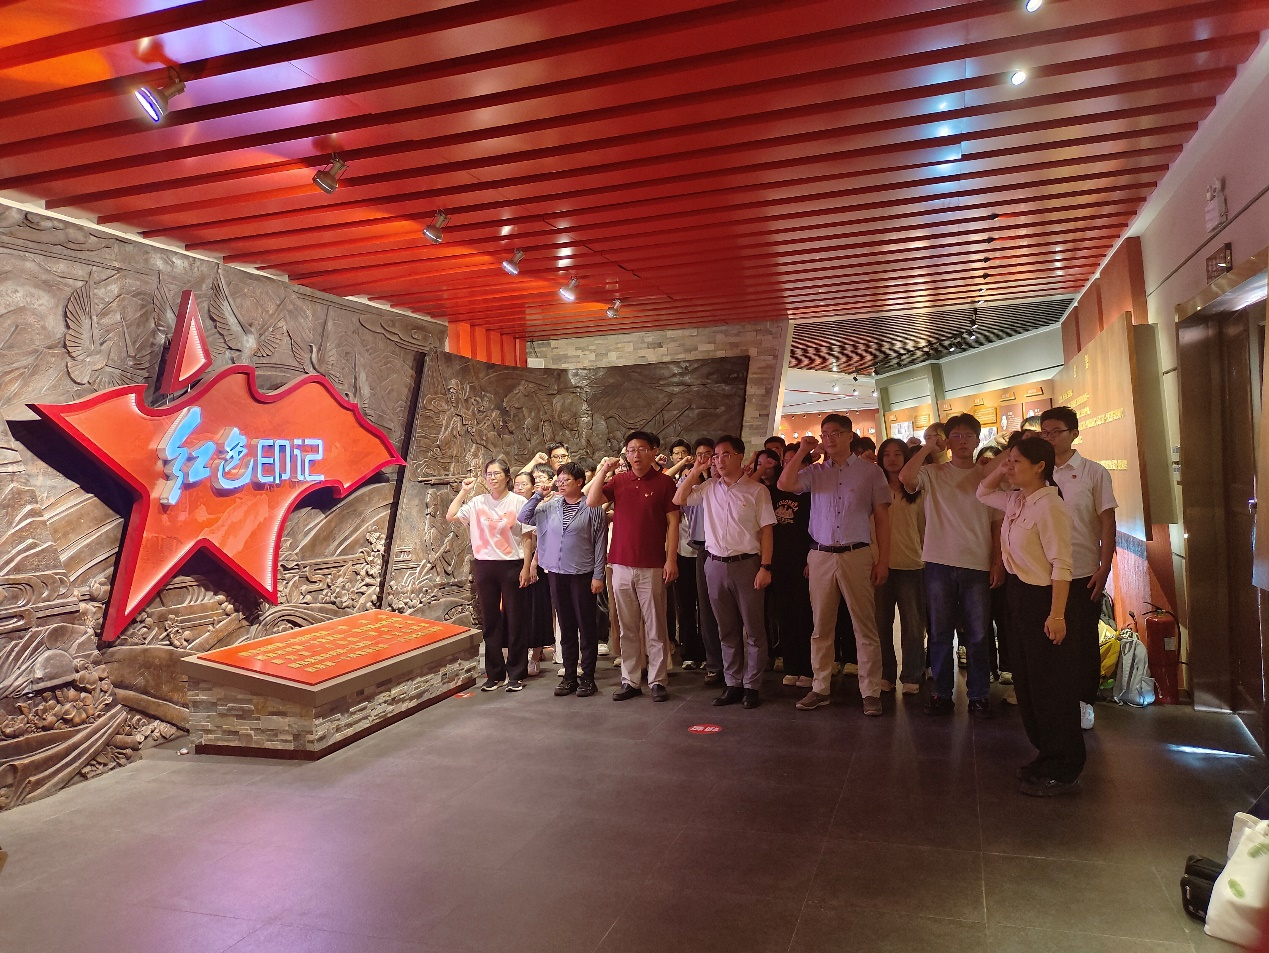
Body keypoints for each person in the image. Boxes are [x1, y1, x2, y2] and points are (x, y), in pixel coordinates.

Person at [977, 437, 1079, 796]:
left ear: (1040, 467)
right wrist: (1005, 462)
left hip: (1043, 599)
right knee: (1027, 682)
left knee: (1050, 685)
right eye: (1009, 460)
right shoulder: (1018, 499)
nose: (1009, 467)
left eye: (1017, 462)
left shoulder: (1050, 506)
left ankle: (1064, 765)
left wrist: (1057, 614)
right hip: (1018, 594)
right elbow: (982, 492)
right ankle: (1046, 753)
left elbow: (1062, 565)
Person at [777, 414, 891, 716]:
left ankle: (870, 691)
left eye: (836, 433)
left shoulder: (871, 472)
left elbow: (882, 519)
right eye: (825, 433)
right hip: (820, 554)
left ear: (850, 436)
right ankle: (820, 687)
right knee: (821, 626)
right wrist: (803, 450)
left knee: (864, 626)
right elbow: (784, 483)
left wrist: (883, 560)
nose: (829, 438)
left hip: (857, 553)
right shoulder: (815, 472)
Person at [899, 414, 1003, 718]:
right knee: (940, 633)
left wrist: (997, 562)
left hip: (977, 564)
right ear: (947, 441)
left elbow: (996, 524)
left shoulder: (987, 476)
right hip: (938, 563)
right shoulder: (933, 472)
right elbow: (906, 478)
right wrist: (926, 448)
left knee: (978, 634)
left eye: (968, 435)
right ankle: (941, 694)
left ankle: (979, 695)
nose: (962, 441)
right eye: (955, 435)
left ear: (977, 440)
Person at [675, 435, 776, 709]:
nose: (719, 460)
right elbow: (678, 498)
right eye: (716, 456)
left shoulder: (757, 490)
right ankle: (733, 682)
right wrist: (697, 469)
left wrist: (765, 566)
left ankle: (752, 685)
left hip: (748, 564)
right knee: (726, 628)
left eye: (725, 455)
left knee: (753, 629)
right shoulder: (708, 487)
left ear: (740, 456)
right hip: (715, 564)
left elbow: (767, 531)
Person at [587, 431, 680, 702]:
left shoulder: (665, 483)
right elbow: (592, 501)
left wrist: (671, 559)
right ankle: (630, 680)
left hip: (652, 564)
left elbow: (673, 523)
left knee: (655, 625)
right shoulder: (619, 481)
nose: (635, 455)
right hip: (620, 563)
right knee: (626, 626)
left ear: (653, 451)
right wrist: (604, 470)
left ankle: (658, 680)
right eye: (630, 450)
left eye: (641, 449)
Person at [1039, 406, 1117, 730]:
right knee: (1048, 639)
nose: (1049, 438)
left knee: (1082, 640)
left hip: (1082, 570)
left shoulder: (1093, 473)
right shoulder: (1038, 472)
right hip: (1042, 572)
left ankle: (1084, 701)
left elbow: (1107, 521)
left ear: (1074, 434)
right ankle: (1055, 700)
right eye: (1044, 432)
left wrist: (1104, 566)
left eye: (1055, 432)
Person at [519, 463, 608, 697]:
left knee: (586, 627)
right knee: (566, 627)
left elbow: (600, 543)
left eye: (566, 480)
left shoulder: (592, 507)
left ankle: (588, 677)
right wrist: (539, 494)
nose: (561, 484)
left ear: (579, 482)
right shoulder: (550, 506)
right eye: (559, 480)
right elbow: (523, 516)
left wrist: (598, 575)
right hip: (557, 573)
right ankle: (569, 676)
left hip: (583, 573)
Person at [447, 458, 529, 693]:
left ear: (507, 476)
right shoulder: (477, 502)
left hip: (512, 564)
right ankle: (494, 674)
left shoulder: (518, 502)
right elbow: (451, 515)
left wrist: (527, 566)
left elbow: (527, 536)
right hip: (484, 565)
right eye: (489, 474)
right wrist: (464, 491)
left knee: (515, 619)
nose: (492, 478)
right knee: (490, 620)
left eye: (496, 474)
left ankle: (516, 674)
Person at [874, 438, 927, 694]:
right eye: (887, 454)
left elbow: (924, 528)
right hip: (878, 565)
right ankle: (886, 673)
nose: (892, 459)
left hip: (911, 564)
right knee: (880, 624)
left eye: (897, 454)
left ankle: (912, 674)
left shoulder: (917, 491)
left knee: (913, 624)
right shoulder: (874, 489)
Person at [771, 445, 814, 689]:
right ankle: (791, 665)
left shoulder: (811, 492)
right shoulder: (776, 490)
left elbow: (817, 527)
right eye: (786, 461)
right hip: (779, 562)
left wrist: (810, 559)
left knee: (804, 616)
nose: (790, 465)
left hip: (804, 562)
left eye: (796, 461)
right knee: (784, 614)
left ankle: (808, 668)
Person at [523, 464, 558, 676]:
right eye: (534, 478)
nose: (538, 482)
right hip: (524, 562)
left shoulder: (555, 502)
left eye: (542, 477)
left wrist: (534, 562)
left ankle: (538, 654)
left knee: (541, 610)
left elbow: (543, 538)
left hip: (544, 563)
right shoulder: (529, 502)